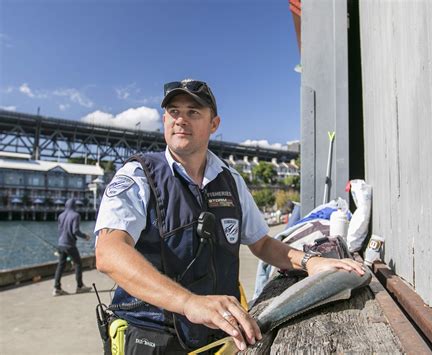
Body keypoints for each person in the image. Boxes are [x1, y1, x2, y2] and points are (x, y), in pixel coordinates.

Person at [94, 79, 365, 353]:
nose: (180, 120)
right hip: (152, 339)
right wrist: (189, 303)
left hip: (221, 336)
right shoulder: (138, 176)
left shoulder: (230, 180)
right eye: (174, 112)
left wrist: (310, 262)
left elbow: (261, 243)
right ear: (164, 119)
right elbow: (108, 252)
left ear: (214, 124)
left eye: (193, 112)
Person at [53, 198, 92, 296]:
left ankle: (56, 288)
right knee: (78, 263)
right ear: (74, 206)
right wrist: (85, 236)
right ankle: (80, 286)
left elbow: (59, 230)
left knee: (60, 266)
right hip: (70, 244)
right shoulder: (76, 215)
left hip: (61, 244)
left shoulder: (60, 215)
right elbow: (75, 231)